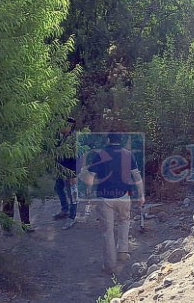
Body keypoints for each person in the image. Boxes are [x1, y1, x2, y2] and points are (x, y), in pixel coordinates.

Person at [82, 133, 145, 274]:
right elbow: (137, 176)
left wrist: (88, 193)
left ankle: (110, 265)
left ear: (108, 140)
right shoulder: (128, 155)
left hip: (105, 197)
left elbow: (91, 176)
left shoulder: (100, 155)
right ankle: (122, 252)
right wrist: (141, 195)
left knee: (108, 231)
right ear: (120, 141)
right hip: (124, 195)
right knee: (124, 221)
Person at [54, 117, 79, 230]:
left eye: (63, 126)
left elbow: (76, 158)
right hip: (61, 169)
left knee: (72, 192)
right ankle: (65, 209)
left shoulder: (74, 139)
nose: (60, 128)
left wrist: (73, 175)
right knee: (58, 187)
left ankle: (72, 216)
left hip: (70, 170)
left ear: (69, 126)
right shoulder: (63, 137)